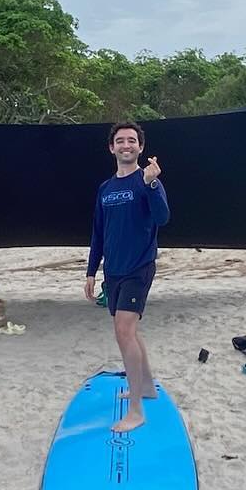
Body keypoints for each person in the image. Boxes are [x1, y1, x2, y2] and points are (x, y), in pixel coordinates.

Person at [84, 122, 170, 432]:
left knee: (123, 331)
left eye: (132, 140)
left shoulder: (147, 180)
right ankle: (146, 386)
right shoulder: (105, 189)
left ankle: (136, 409)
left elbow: (163, 218)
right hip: (113, 270)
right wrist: (91, 271)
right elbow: (98, 232)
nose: (126, 145)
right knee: (129, 332)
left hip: (139, 266)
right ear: (112, 147)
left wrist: (150, 184)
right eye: (120, 141)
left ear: (140, 147)